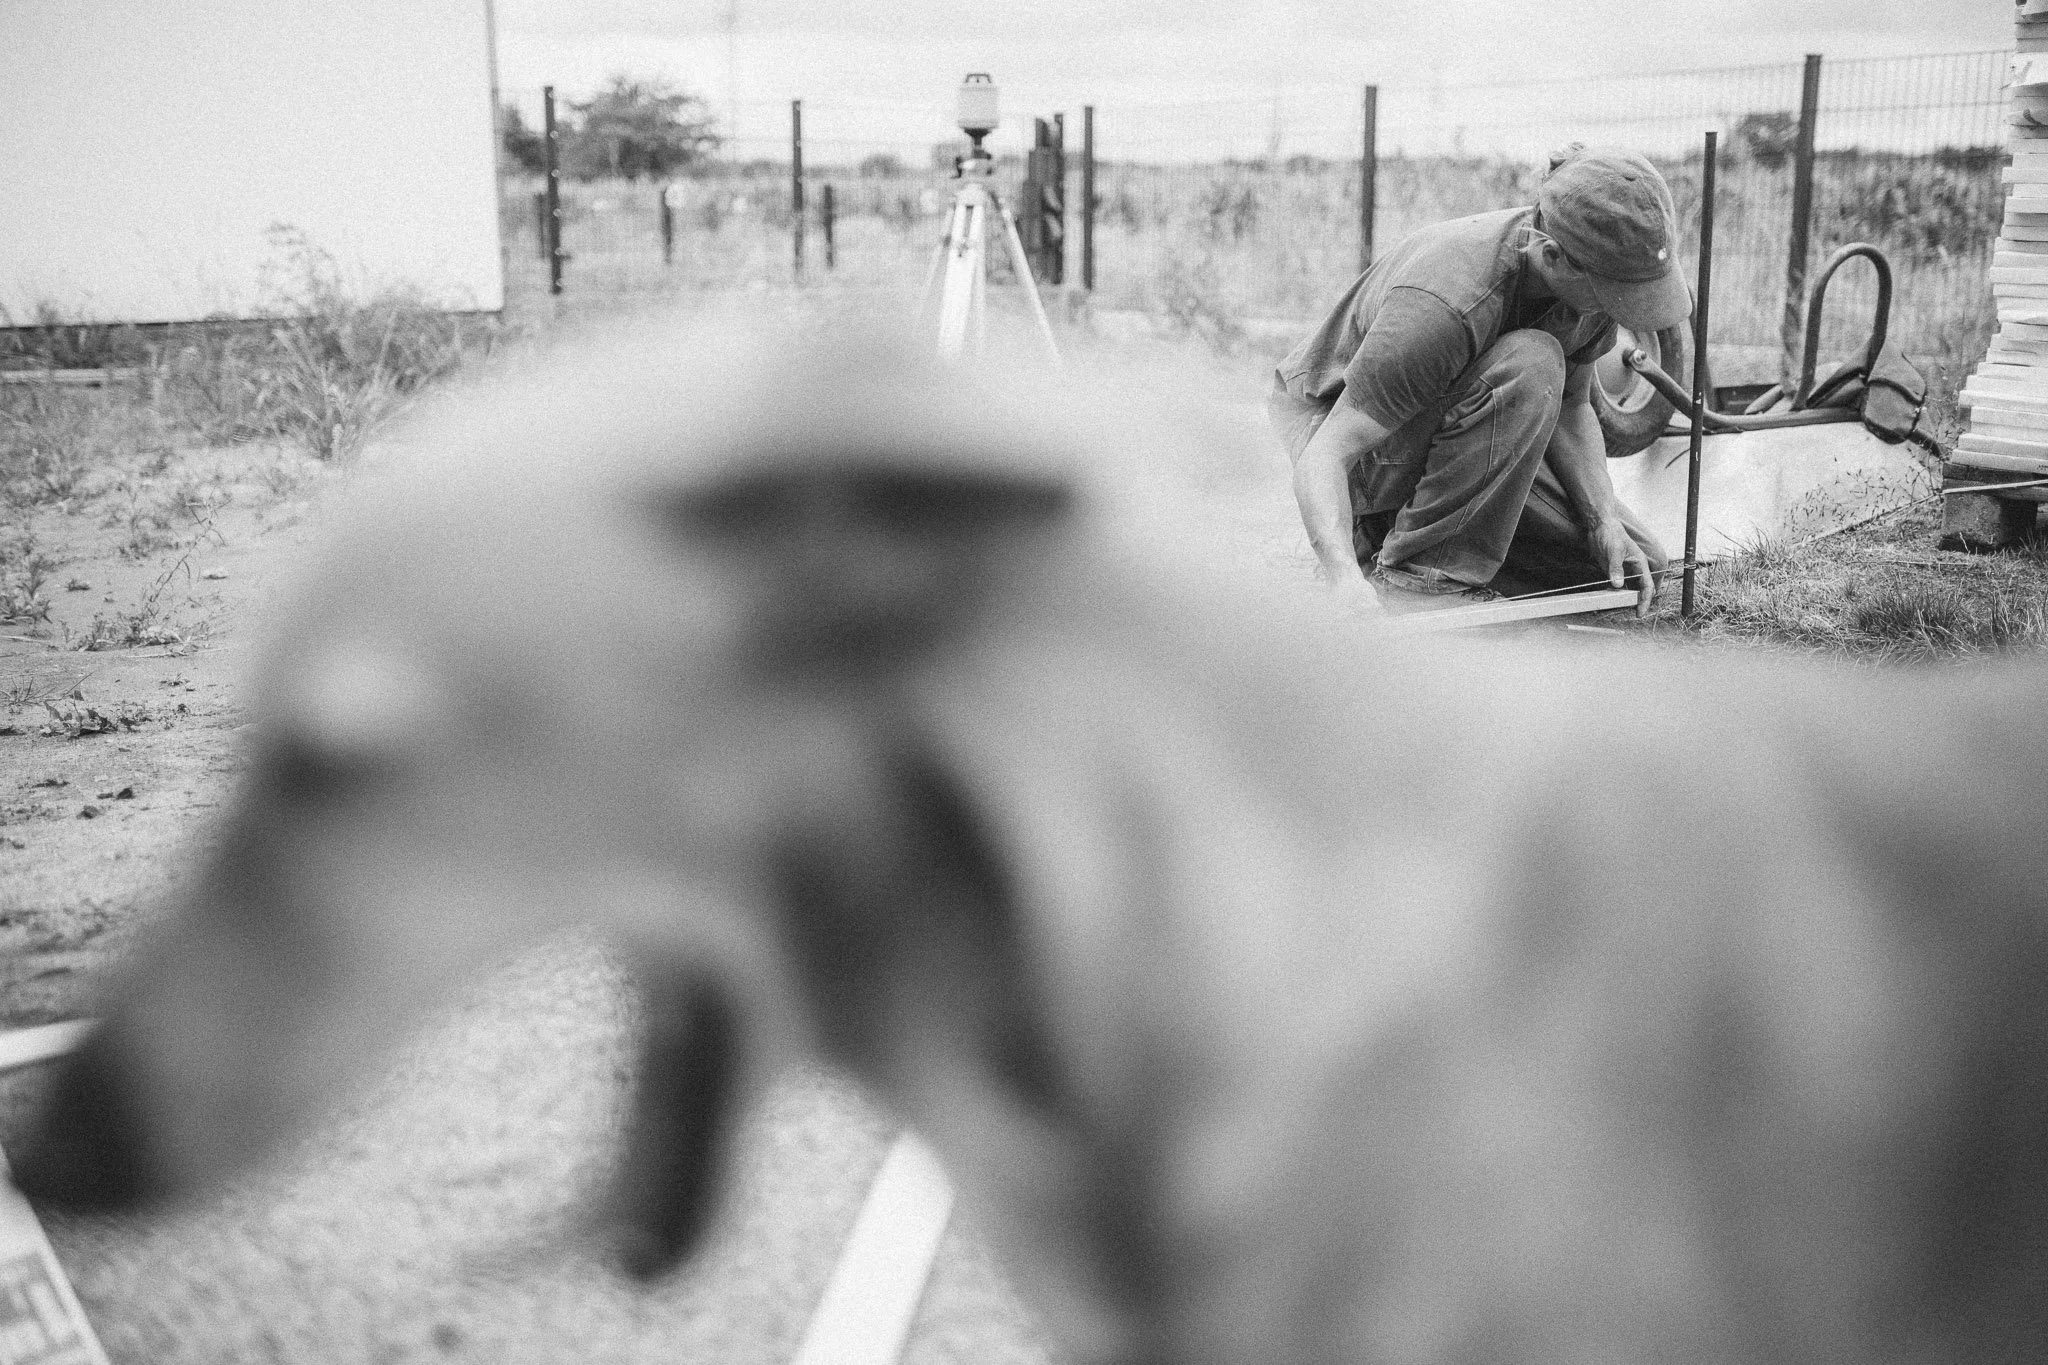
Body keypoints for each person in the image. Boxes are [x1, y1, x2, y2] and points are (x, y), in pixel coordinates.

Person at [1269, 144, 1688, 617]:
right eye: (1613, 294)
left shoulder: (1586, 276)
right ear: (1553, 257)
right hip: (1343, 438)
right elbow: (1328, 452)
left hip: (1460, 429)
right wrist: (1341, 577)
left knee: (1631, 566)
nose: (1617, 310)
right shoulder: (1445, 305)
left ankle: (1415, 542)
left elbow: (1573, 408)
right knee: (1534, 359)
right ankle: (1414, 579)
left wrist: (1602, 520)